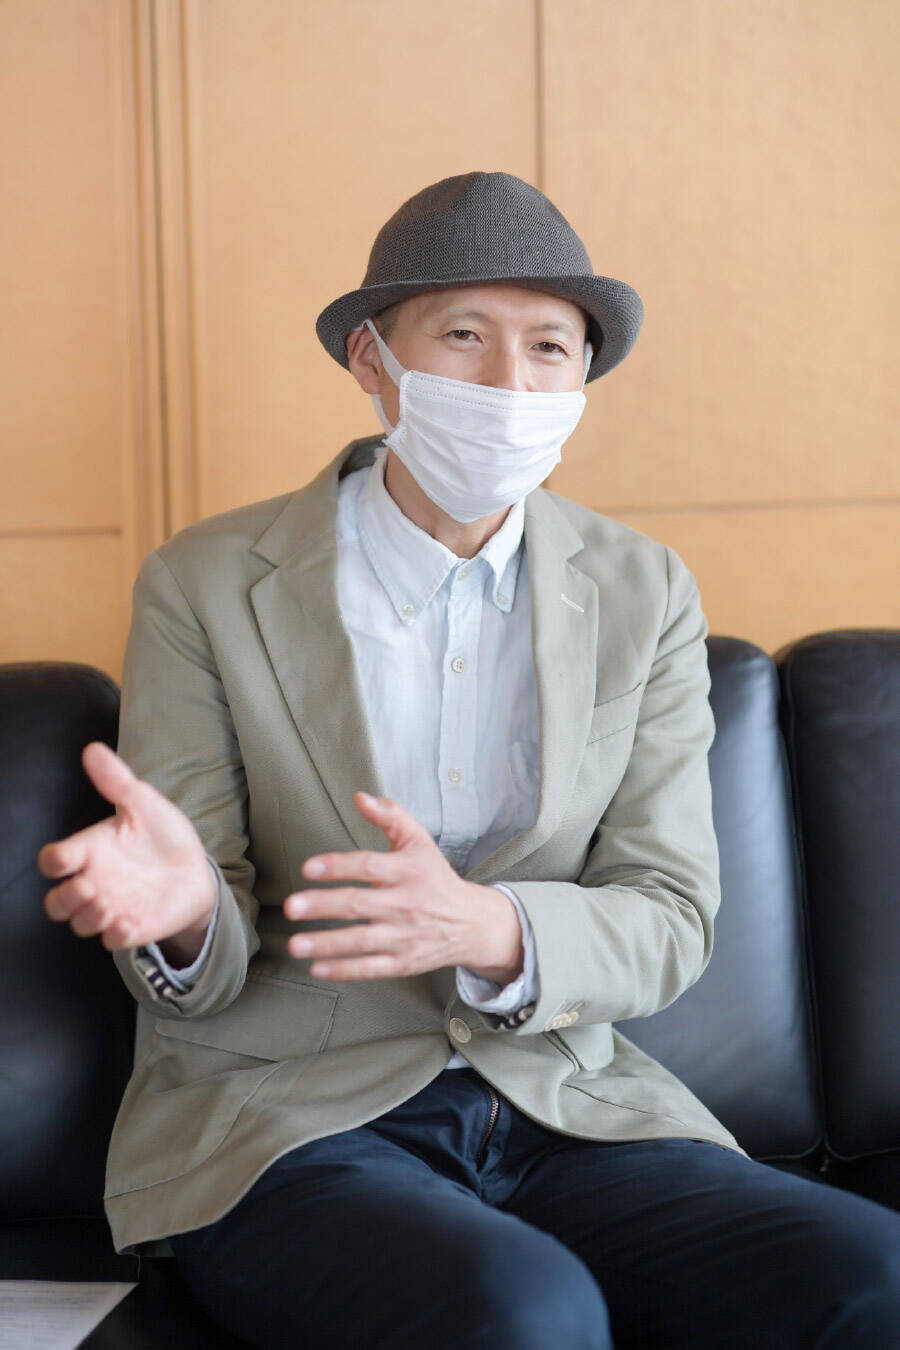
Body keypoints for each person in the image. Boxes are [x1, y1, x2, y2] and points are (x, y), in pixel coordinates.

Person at [38, 171, 900, 1348]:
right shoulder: (206, 584)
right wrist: (185, 916)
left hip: (570, 1107)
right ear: (371, 359)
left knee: (873, 1276)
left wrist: (487, 928)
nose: (510, 384)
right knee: (522, 1314)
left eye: (550, 348)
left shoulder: (643, 591)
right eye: (463, 336)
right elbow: (208, 954)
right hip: (289, 1118)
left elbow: (670, 914)